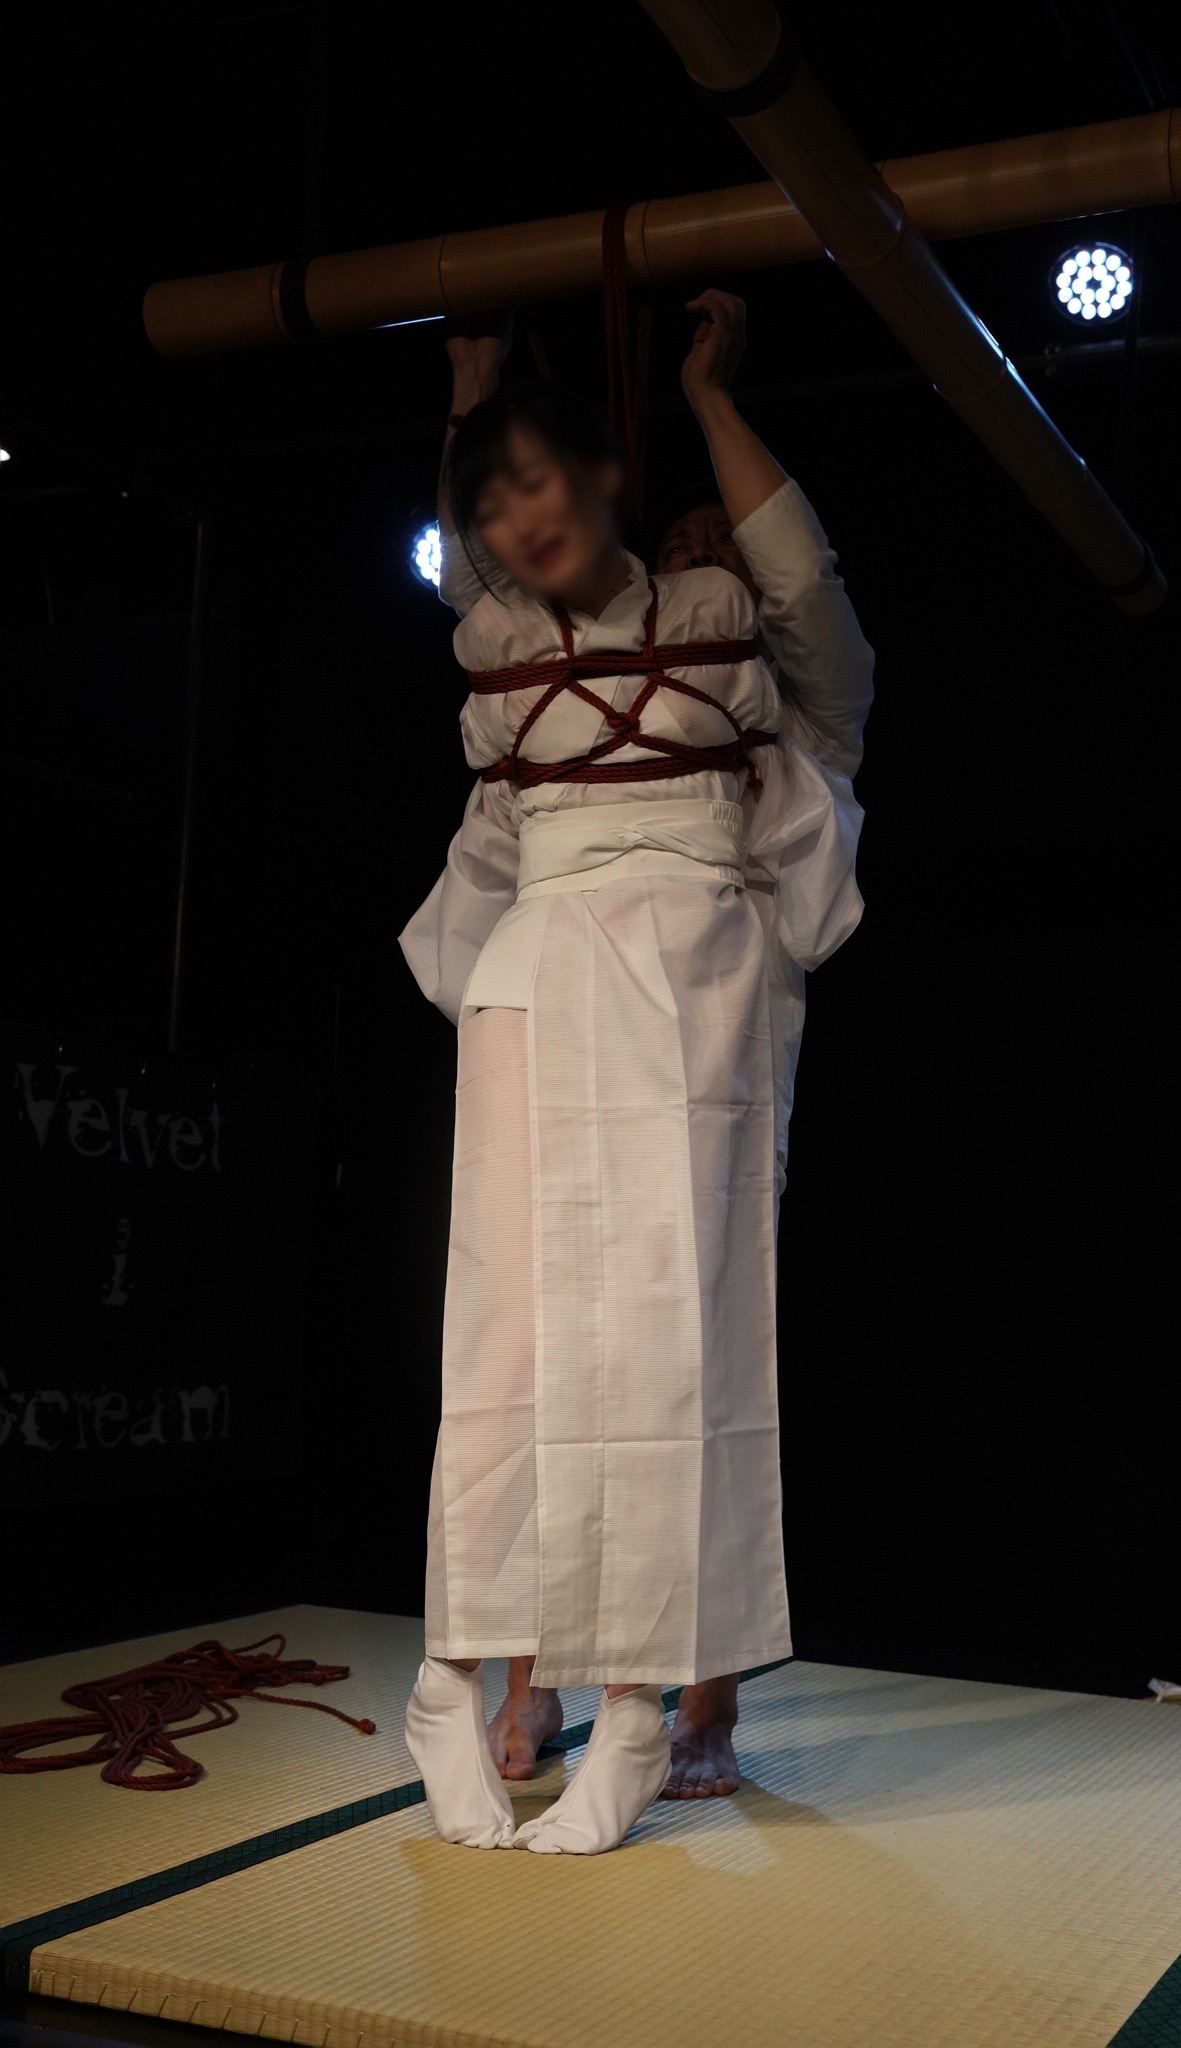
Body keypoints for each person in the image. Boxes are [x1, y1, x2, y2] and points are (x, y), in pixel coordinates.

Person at [400, 297, 869, 1851]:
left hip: (703, 1020)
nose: (697, 557)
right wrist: (477, 396)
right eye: (682, 537)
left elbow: (798, 585)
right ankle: (502, 1675)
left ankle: (671, 1699)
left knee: (675, 1348)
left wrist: (709, 395)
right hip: (560, 975)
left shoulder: (786, 697)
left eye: (713, 545)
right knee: (525, 1327)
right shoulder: (539, 672)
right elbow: (485, 581)